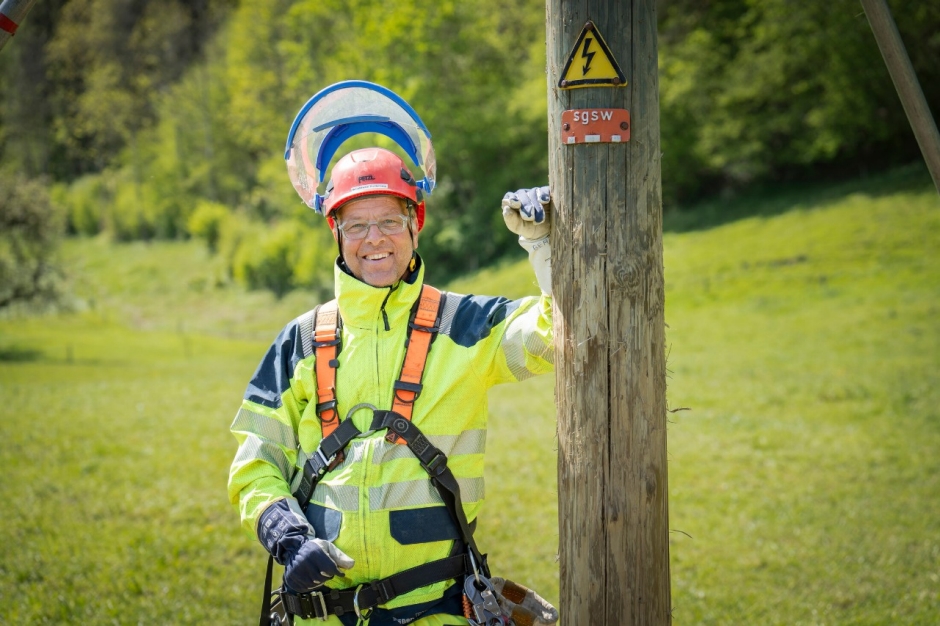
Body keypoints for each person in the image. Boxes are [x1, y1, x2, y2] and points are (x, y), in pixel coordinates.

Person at [227, 145, 556, 626]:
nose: (374, 238)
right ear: (336, 233)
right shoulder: (301, 341)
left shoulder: (465, 325)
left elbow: (554, 338)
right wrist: (288, 538)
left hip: (437, 611)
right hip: (322, 616)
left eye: (389, 221)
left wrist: (543, 247)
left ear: (415, 225)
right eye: (356, 225)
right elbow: (255, 463)